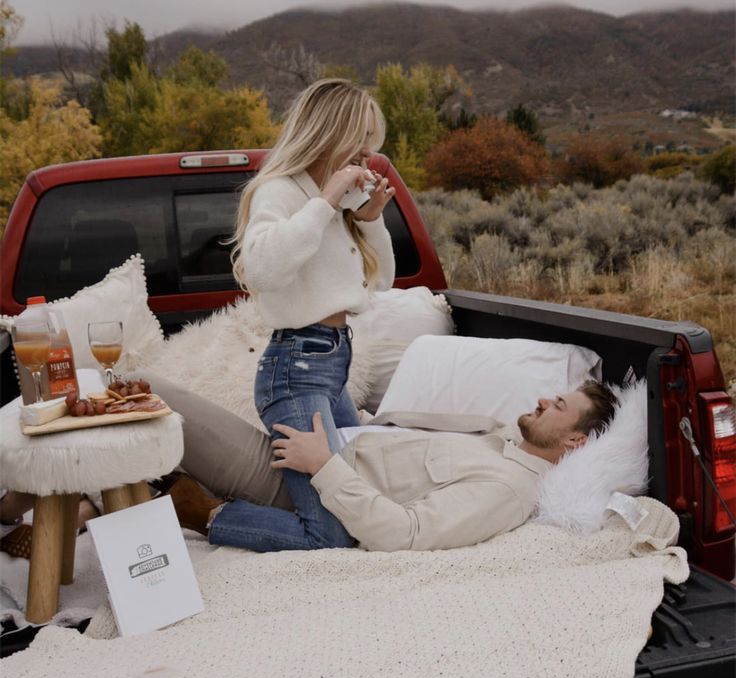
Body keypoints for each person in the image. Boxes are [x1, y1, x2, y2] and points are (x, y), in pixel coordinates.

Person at [228, 78, 396, 550]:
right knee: (332, 533)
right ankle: (208, 512)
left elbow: (381, 282)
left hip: (331, 365)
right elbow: (262, 269)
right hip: (296, 369)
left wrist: (370, 217)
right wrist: (324, 204)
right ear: (329, 132)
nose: (368, 153)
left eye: (371, 142)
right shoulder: (279, 192)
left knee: (358, 499)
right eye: (360, 138)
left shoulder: (336, 199)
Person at [163, 379, 618, 552]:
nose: (542, 398)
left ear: (575, 441)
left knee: (157, 399)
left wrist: (322, 465)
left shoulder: (508, 490)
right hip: (345, 434)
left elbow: (407, 533)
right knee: (319, 349)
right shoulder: (500, 433)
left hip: (300, 479)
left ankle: (201, 509)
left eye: (557, 404)